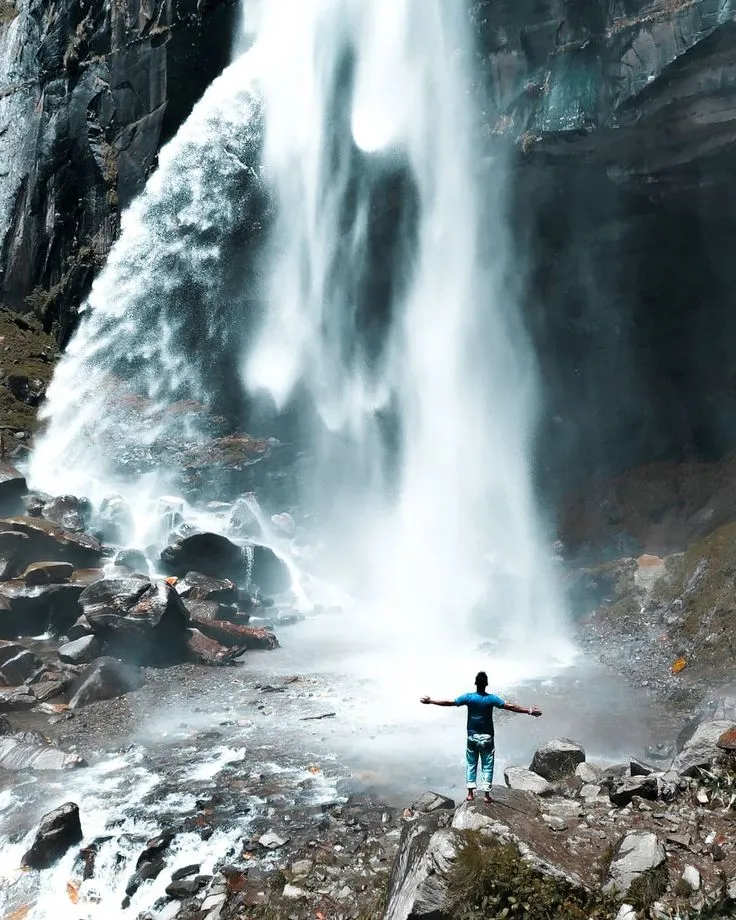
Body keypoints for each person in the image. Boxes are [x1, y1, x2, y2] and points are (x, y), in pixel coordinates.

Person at [421, 671, 542, 803]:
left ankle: (470, 794)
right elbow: (510, 707)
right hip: (487, 737)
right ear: (486, 684)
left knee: (471, 763)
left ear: (476, 683)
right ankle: (486, 795)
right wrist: (529, 711)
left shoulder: (469, 697)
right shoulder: (491, 699)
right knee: (487, 765)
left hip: (472, 736)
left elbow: (450, 702)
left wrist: (431, 701)